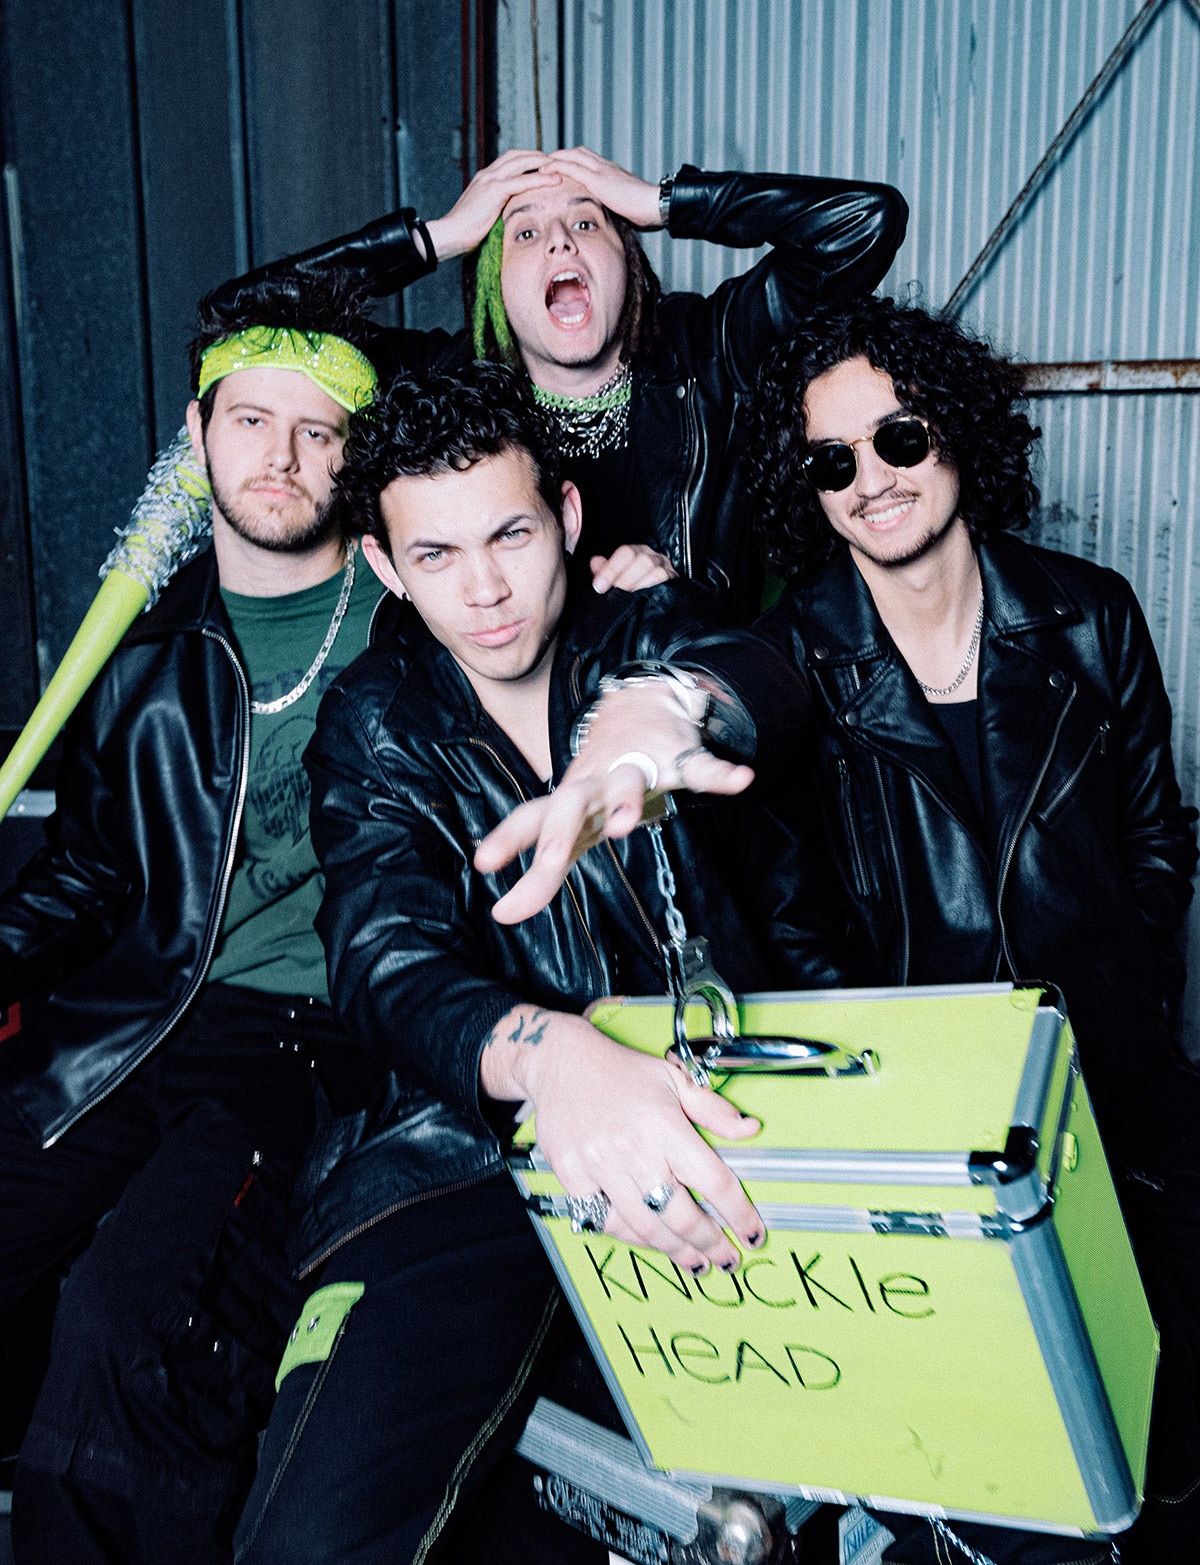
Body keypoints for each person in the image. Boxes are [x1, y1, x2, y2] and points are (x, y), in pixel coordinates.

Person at [232, 354, 809, 1564]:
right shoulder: (375, 720)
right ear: (386, 566)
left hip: (716, 1124)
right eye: (435, 557)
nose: (486, 590)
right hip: (452, 1161)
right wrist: (552, 1058)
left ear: (569, 515)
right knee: (312, 1537)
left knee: (765, 1520)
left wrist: (665, 711)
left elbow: (774, 675)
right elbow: (380, 960)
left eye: (510, 534)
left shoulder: (650, 626)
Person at [741, 298, 1200, 1565]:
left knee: (1164, 1433)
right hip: (923, 1137)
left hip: (1119, 1088)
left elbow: (1160, 835)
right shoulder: (795, 665)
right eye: (830, 462)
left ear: (956, 434)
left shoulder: (1090, 616)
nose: (871, 482)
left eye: (895, 438)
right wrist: (903, 1085)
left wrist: (1117, 981)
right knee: (1000, 1480)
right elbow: (792, 923)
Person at [0, 274, 386, 1564]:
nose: (279, 457)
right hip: (134, 1016)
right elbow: (88, 869)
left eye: (317, 429)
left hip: (312, 1048)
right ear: (197, 433)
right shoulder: (148, 657)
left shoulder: (422, 628)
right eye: (251, 421)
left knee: (132, 1329)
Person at [208, 144, 908, 610]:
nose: (561, 241)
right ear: (495, 291)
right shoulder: (442, 390)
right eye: (524, 234)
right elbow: (241, 322)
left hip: (699, 711)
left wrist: (662, 202)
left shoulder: (709, 352)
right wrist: (441, 235)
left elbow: (863, 223)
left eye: (588, 222)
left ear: (628, 266)